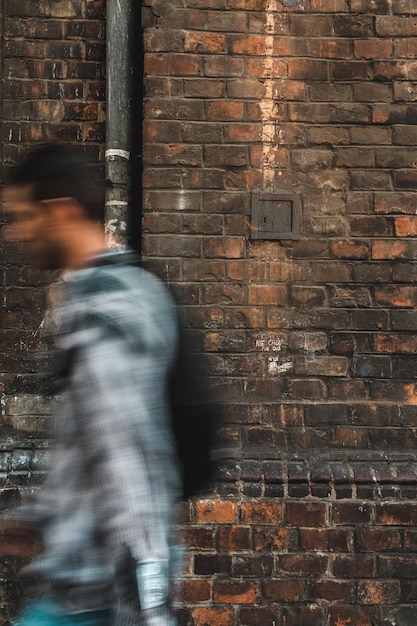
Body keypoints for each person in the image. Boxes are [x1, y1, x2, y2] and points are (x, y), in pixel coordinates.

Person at [3, 143, 183, 626]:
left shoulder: (105, 310)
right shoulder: (129, 289)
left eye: (23, 217)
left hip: (98, 592)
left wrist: (149, 604)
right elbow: (92, 442)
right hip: (85, 584)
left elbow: (127, 455)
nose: (17, 233)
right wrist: (37, 517)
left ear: (60, 212)